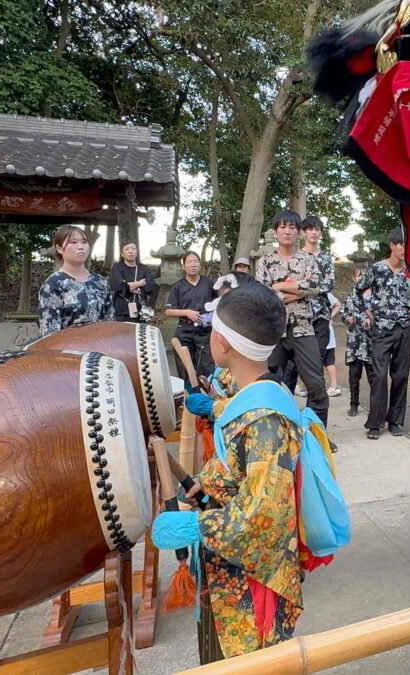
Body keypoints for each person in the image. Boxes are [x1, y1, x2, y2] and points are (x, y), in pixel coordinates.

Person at [150, 272, 303, 660]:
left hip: (250, 581)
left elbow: (263, 519)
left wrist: (194, 525)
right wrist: (208, 480)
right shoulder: (260, 389)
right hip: (229, 565)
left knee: (247, 659)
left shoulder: (267, 420)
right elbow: (243, 465)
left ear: (222, 342)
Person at [257, 210, 330, 425]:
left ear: (298, 232)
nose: (287, 232)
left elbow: (315, 285)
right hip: (275, 330)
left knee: (316, 383)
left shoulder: (308, 260)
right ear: (275, 231)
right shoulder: (265, 261)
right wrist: (297, 289)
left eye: (292, 228)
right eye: (283, 227)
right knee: (270, 382)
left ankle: (317, 434)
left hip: (303, 327)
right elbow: (263, 294)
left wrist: (279, 286)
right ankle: (275, 430)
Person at [352, 227, 410, 439]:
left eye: (407, 244)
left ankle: (395, 420)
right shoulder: (378, 269)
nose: (404, 249)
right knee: (378, 376)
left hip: (403, 329)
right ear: (392, 246)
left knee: (401, 376)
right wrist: (367, 311)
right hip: (381, 330)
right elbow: (357, 289)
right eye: (401, 244)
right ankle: (375, 423)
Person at [283, 217, 337, 400]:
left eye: (317, 229)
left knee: (317, 362)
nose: (314, 232)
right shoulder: (296, 258)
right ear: (303, 232)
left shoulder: (326, 259)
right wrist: (307, 288)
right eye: (310, 229)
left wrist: (303, 289)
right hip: (298, 315)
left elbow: (328, 284)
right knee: (292, 362)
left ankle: (315, 411)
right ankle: (286, 404)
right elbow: (289, 284)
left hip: (321, 315)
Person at [38, 225, 114, 336]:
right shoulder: (53, 284)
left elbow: (110, 322)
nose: (80, 247)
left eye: (84, 242)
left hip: (101, 348)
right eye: (73, 242)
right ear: (59, 248)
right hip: (67, 350)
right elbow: (50, 333)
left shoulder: (101, 282)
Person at [166, 251, 217, 379]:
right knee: (185, 368)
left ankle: (207, 394)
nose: (193, 265)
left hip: (204, 330)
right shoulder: (178, 286)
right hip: (184, 330)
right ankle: (187, 395)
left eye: (196, 262)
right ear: (184, 266)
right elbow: (168, 311)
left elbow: (217, 303)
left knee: (206, 367)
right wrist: (186, 312)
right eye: (189, 262)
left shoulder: (208, 283)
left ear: (200, 265)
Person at [342, 264, 374, 418]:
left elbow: (380, 319)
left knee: (374, 377)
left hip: (371, 345)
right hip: (354, 345)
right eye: (358, 276)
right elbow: (344, 314)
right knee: (354, 376)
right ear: (354, 278)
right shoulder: (350, 299)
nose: (361, 279)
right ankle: (353, 404)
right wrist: (349, 319)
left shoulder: (375, 298)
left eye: (364, 276)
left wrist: (370, 323)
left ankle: (376, 405)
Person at [110, 241, 157, 322]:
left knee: (139, 334)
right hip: (121, 312)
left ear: (137, 252)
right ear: (122, 253)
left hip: (141, 312)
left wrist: (127, 286)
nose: (130, 251)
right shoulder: (117, 267)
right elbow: (118, 286)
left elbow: (150, 288)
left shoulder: (144, 269)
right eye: (126, 249)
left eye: (133, 249)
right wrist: (140, 283)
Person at [324, 292, 342, 396]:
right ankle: (334, 386)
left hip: (321, 332)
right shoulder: (327, 293)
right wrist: (329, 317)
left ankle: (334, 386)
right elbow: (338, 304)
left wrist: (329, 317)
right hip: (327, 331)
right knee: (329, 361)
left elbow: (338, 304)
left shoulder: (322, 293)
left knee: (313, 361)